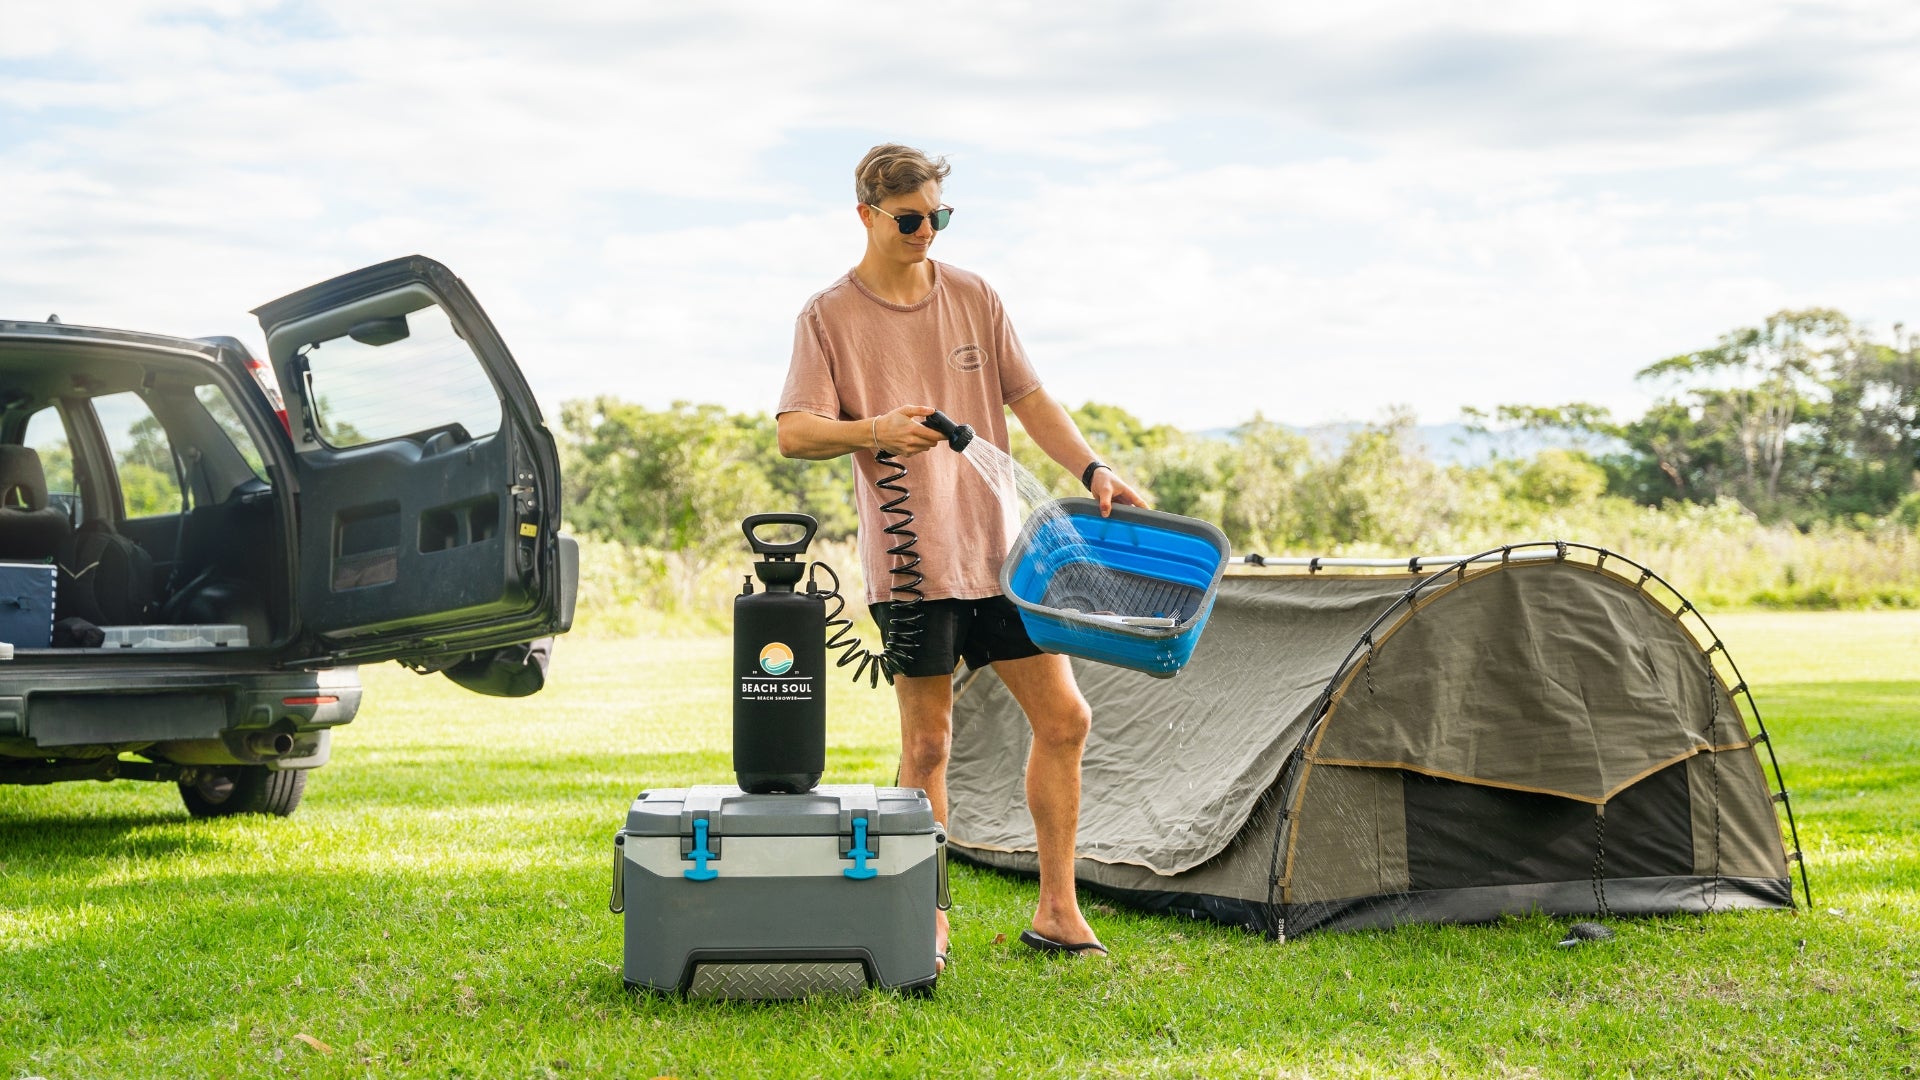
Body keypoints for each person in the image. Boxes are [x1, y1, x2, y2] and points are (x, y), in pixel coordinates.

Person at [776, 143, 1148, 969]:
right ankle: (924, 920)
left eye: (939, 217)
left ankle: (1057, 912)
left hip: (1003, 559)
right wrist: (873, 430)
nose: (926, 233)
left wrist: (1091, 467)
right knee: (930, 746)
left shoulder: (975, 296)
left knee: (1066, 718)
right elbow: (794, 431)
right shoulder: (826, 316)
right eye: (910, 220)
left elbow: (1029, 396)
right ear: (867, 215)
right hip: (912, 569)